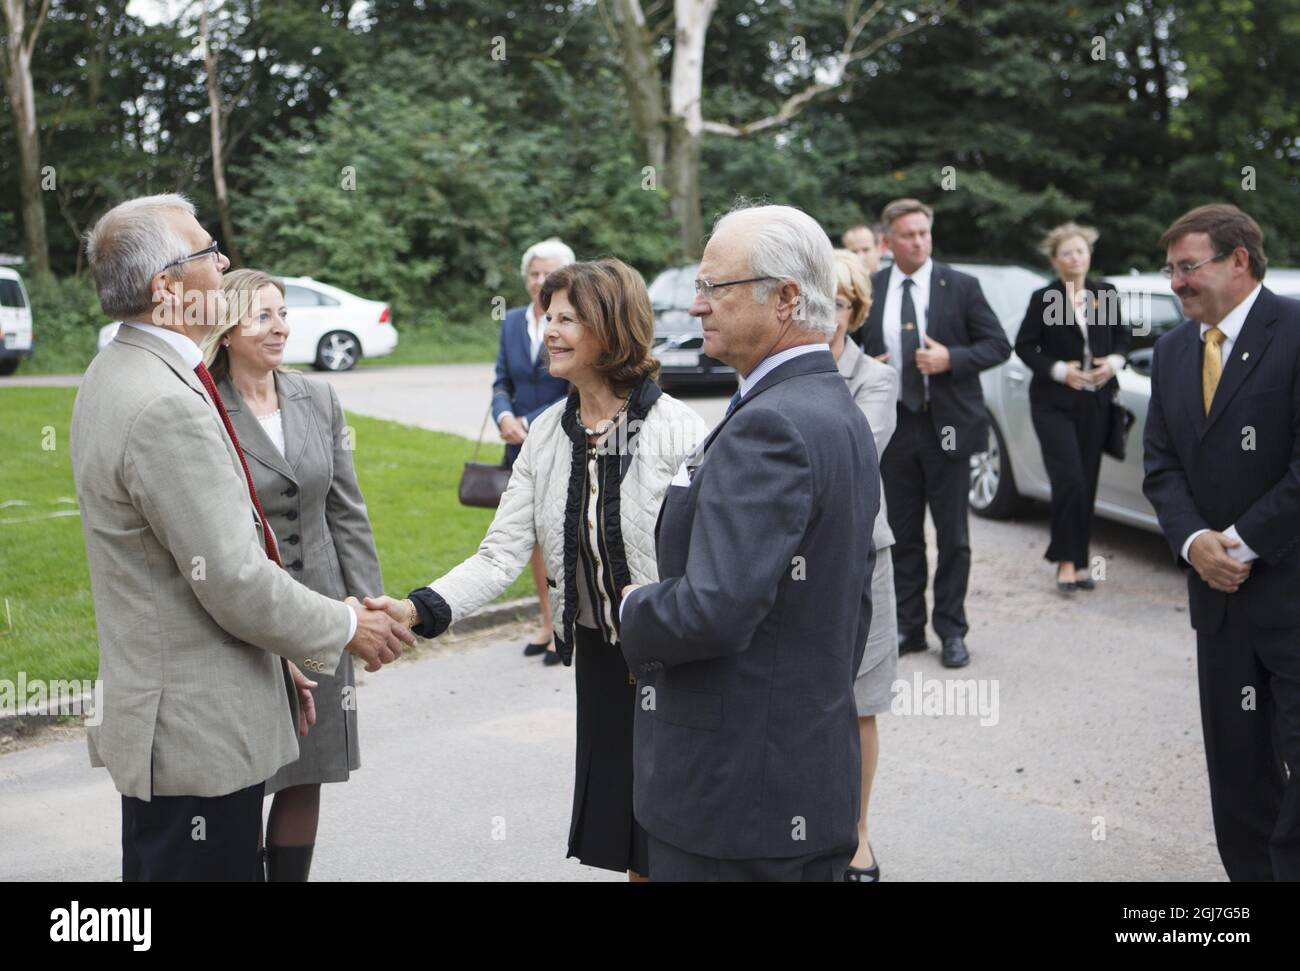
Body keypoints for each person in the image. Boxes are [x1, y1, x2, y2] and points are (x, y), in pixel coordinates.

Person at [71, 194, 411, 882]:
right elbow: (232, 577)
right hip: (197, 738)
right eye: (205, 251)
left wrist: (273, 659)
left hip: (178, 721)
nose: (222, 261)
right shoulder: (165, 400)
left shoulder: (120, 371)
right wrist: (347, 621)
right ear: (167, 288)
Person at [367, 259, 707, 880]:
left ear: (611, 326)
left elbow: (708, 561)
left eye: (568, 319)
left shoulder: (679, 431)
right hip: (605, 662)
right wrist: (418, 608)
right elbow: (500, 554)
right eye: (548, 317)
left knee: (680, 831)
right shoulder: (547, 437)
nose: (549, 330)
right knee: (633, 833)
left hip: (678, 661)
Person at [618, 205, 879, 881]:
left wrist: (633, 608)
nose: (696, 307)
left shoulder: (777, 425)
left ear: (786, 297)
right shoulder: (827, 406)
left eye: (714, 288)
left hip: (736, 798)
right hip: (791, 772)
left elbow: (716, 608)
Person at [202, 269, 384, 881]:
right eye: (263, 316)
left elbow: (346, 509)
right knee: (249, 773)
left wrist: (370, 603)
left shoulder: (318, 397)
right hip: (249, 616)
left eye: (283, 314)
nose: (279, 326)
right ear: (227, 329)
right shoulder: (205, 405)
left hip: (324, 613)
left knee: (309, 772)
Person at [1143, 203, 1300, 881]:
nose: (1176, 283)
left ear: (1239, 261)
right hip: (1218, 601)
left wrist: (1238, 540)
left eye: (1188, 267)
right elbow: (1160, 463)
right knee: (1236, 772)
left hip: (1291, 593)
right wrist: (1194, 541)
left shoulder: (1294, 331)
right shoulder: (1174, 350)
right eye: (1171, 269)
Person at [857, 198, 1011, 668]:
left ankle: (952, 629)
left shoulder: (960, 286)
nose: (919, 241)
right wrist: (866, 365)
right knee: (902, 536)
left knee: (954, 537)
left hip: (948, 425)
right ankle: (910, 626)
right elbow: (849, 345)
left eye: (924, 232)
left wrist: (952, 359)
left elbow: (998, 344)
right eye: (908, 234)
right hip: (896, 426)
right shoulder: (873, 287)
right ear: (888, 242)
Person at [831, 249, 899, 882]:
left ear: (855, 312)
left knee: (860, 702)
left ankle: (857, 834)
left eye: (841, 302)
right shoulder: (766, 373)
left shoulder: (874, 380)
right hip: (788, 561)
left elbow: (856, 453)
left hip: (859, 556)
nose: (829, 313)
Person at [1015, 223, 1130, 592]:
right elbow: (1025, 346)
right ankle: (1065, 561)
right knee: (1070, 481)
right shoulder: (1043, 298)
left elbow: (1124, 337)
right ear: (1055, 260)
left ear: (1089, 255)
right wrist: (1060, 370)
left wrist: (1114, 361)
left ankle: (1081, 561)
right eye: (1067, 253)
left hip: (1095, 402)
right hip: (1053, 404)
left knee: (1087, 482)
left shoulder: (1104, 293)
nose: (1075, 258)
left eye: (1081, 251)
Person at [493, 238, 575, 665]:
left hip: (562, 439)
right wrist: (504, 416)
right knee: (533, 540)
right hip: (519, 448)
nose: (540, 281)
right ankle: (546, 623)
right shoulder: (511, 322)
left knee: (562, 534)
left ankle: (568, 628)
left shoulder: (577, 322)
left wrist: (532, 421)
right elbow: (502, 380)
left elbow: (575, 384)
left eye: (549, 274)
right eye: (534, 273)